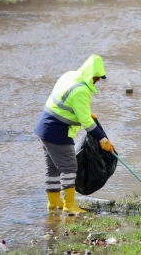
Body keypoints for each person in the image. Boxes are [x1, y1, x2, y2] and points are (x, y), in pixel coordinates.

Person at [33, 54, 115, 213]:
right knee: (70, 167)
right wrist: (102, 139)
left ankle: (53, 202)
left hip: (44, 126)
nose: (98, 80)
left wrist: (83, 111)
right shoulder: (81, 90)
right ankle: (69, 205)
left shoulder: (69, 75)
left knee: (53, 168)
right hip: (57, 132)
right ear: (91, 74)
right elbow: (87, 123)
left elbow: (65, 100)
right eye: (97, 77)